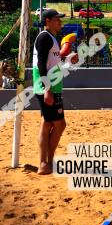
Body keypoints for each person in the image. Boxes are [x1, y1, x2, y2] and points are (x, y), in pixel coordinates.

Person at [32, 9, 76, 176]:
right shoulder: (44, 37)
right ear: (48, 20)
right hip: (48, 87)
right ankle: (44, 163)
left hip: (51, 86)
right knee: (56, 124)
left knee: (49, 123)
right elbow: (41, 64)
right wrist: (47, 89)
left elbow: (51, 62)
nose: (60, 22)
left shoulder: (50, 38)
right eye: (57, 19)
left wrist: (67, 58)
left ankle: (47, 163)